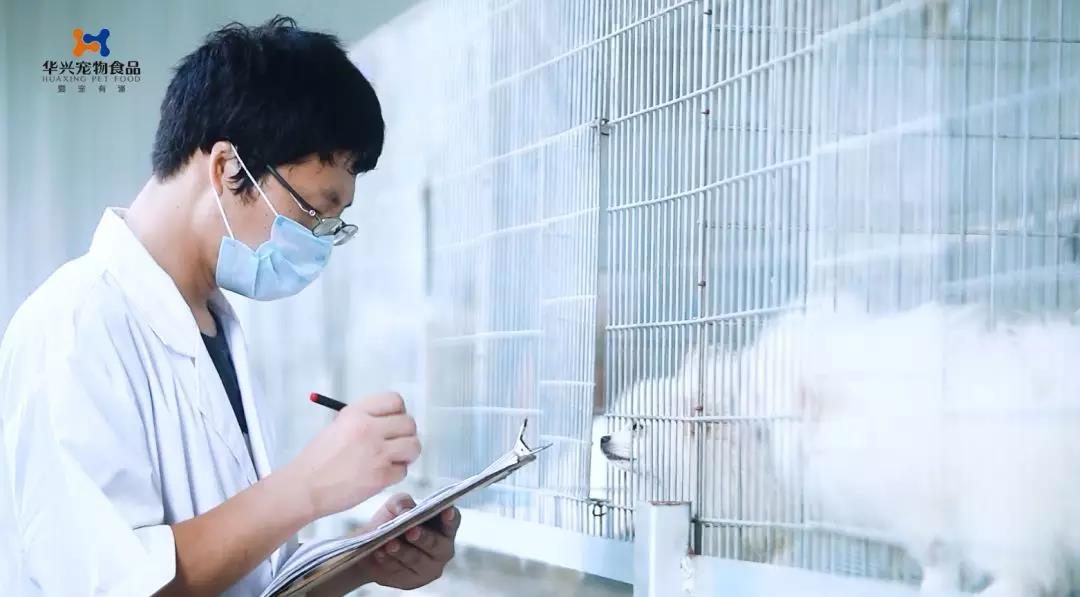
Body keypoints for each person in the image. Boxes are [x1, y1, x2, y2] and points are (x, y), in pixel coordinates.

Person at [0, 15, 458, 596]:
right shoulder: (71, 327)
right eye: (314, 211)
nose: (318, 241)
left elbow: (250, 581)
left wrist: (361, 558)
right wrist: (307, 486)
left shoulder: (214, 326)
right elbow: (112, 585)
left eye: (334, 224)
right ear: (227, 167)